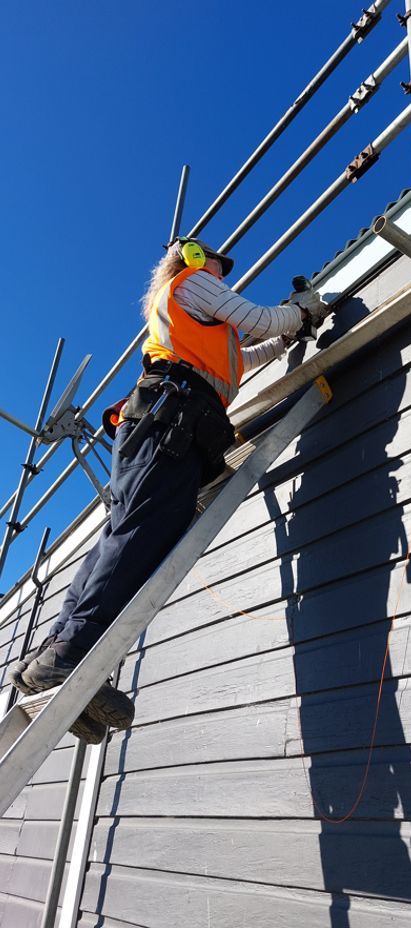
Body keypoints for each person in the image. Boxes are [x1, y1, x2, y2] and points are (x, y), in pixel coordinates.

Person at [9, 238, 326, 743]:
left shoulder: (199, 323)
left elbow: (247, 353)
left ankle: (53, 654)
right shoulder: (194, 283)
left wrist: (294, 332)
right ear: (198, 261)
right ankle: (66, 656)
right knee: (138, 537)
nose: (225, 274)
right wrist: (298, 310)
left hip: (164, 421)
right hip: (171, 419)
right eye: (221, 266)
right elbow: (263, 321)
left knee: (123, 535)